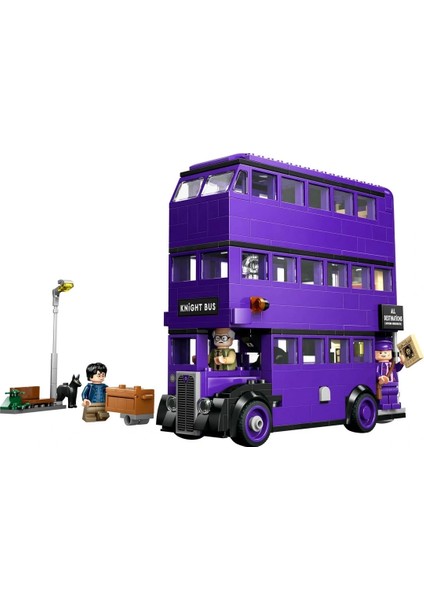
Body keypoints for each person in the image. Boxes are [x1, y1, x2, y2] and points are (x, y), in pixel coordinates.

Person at [375, 339, 405, 410]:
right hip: (383, 384)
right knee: (384, 394)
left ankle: (394, 404)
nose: (383, 354)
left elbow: (397, 368)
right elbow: (375, 372)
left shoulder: (392, 364)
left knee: (393, 393)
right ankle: (383, 404)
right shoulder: (377, 365)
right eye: (380, 352)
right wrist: (379, 377)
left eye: (386, 352)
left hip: (393, 383)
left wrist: (401, 362)